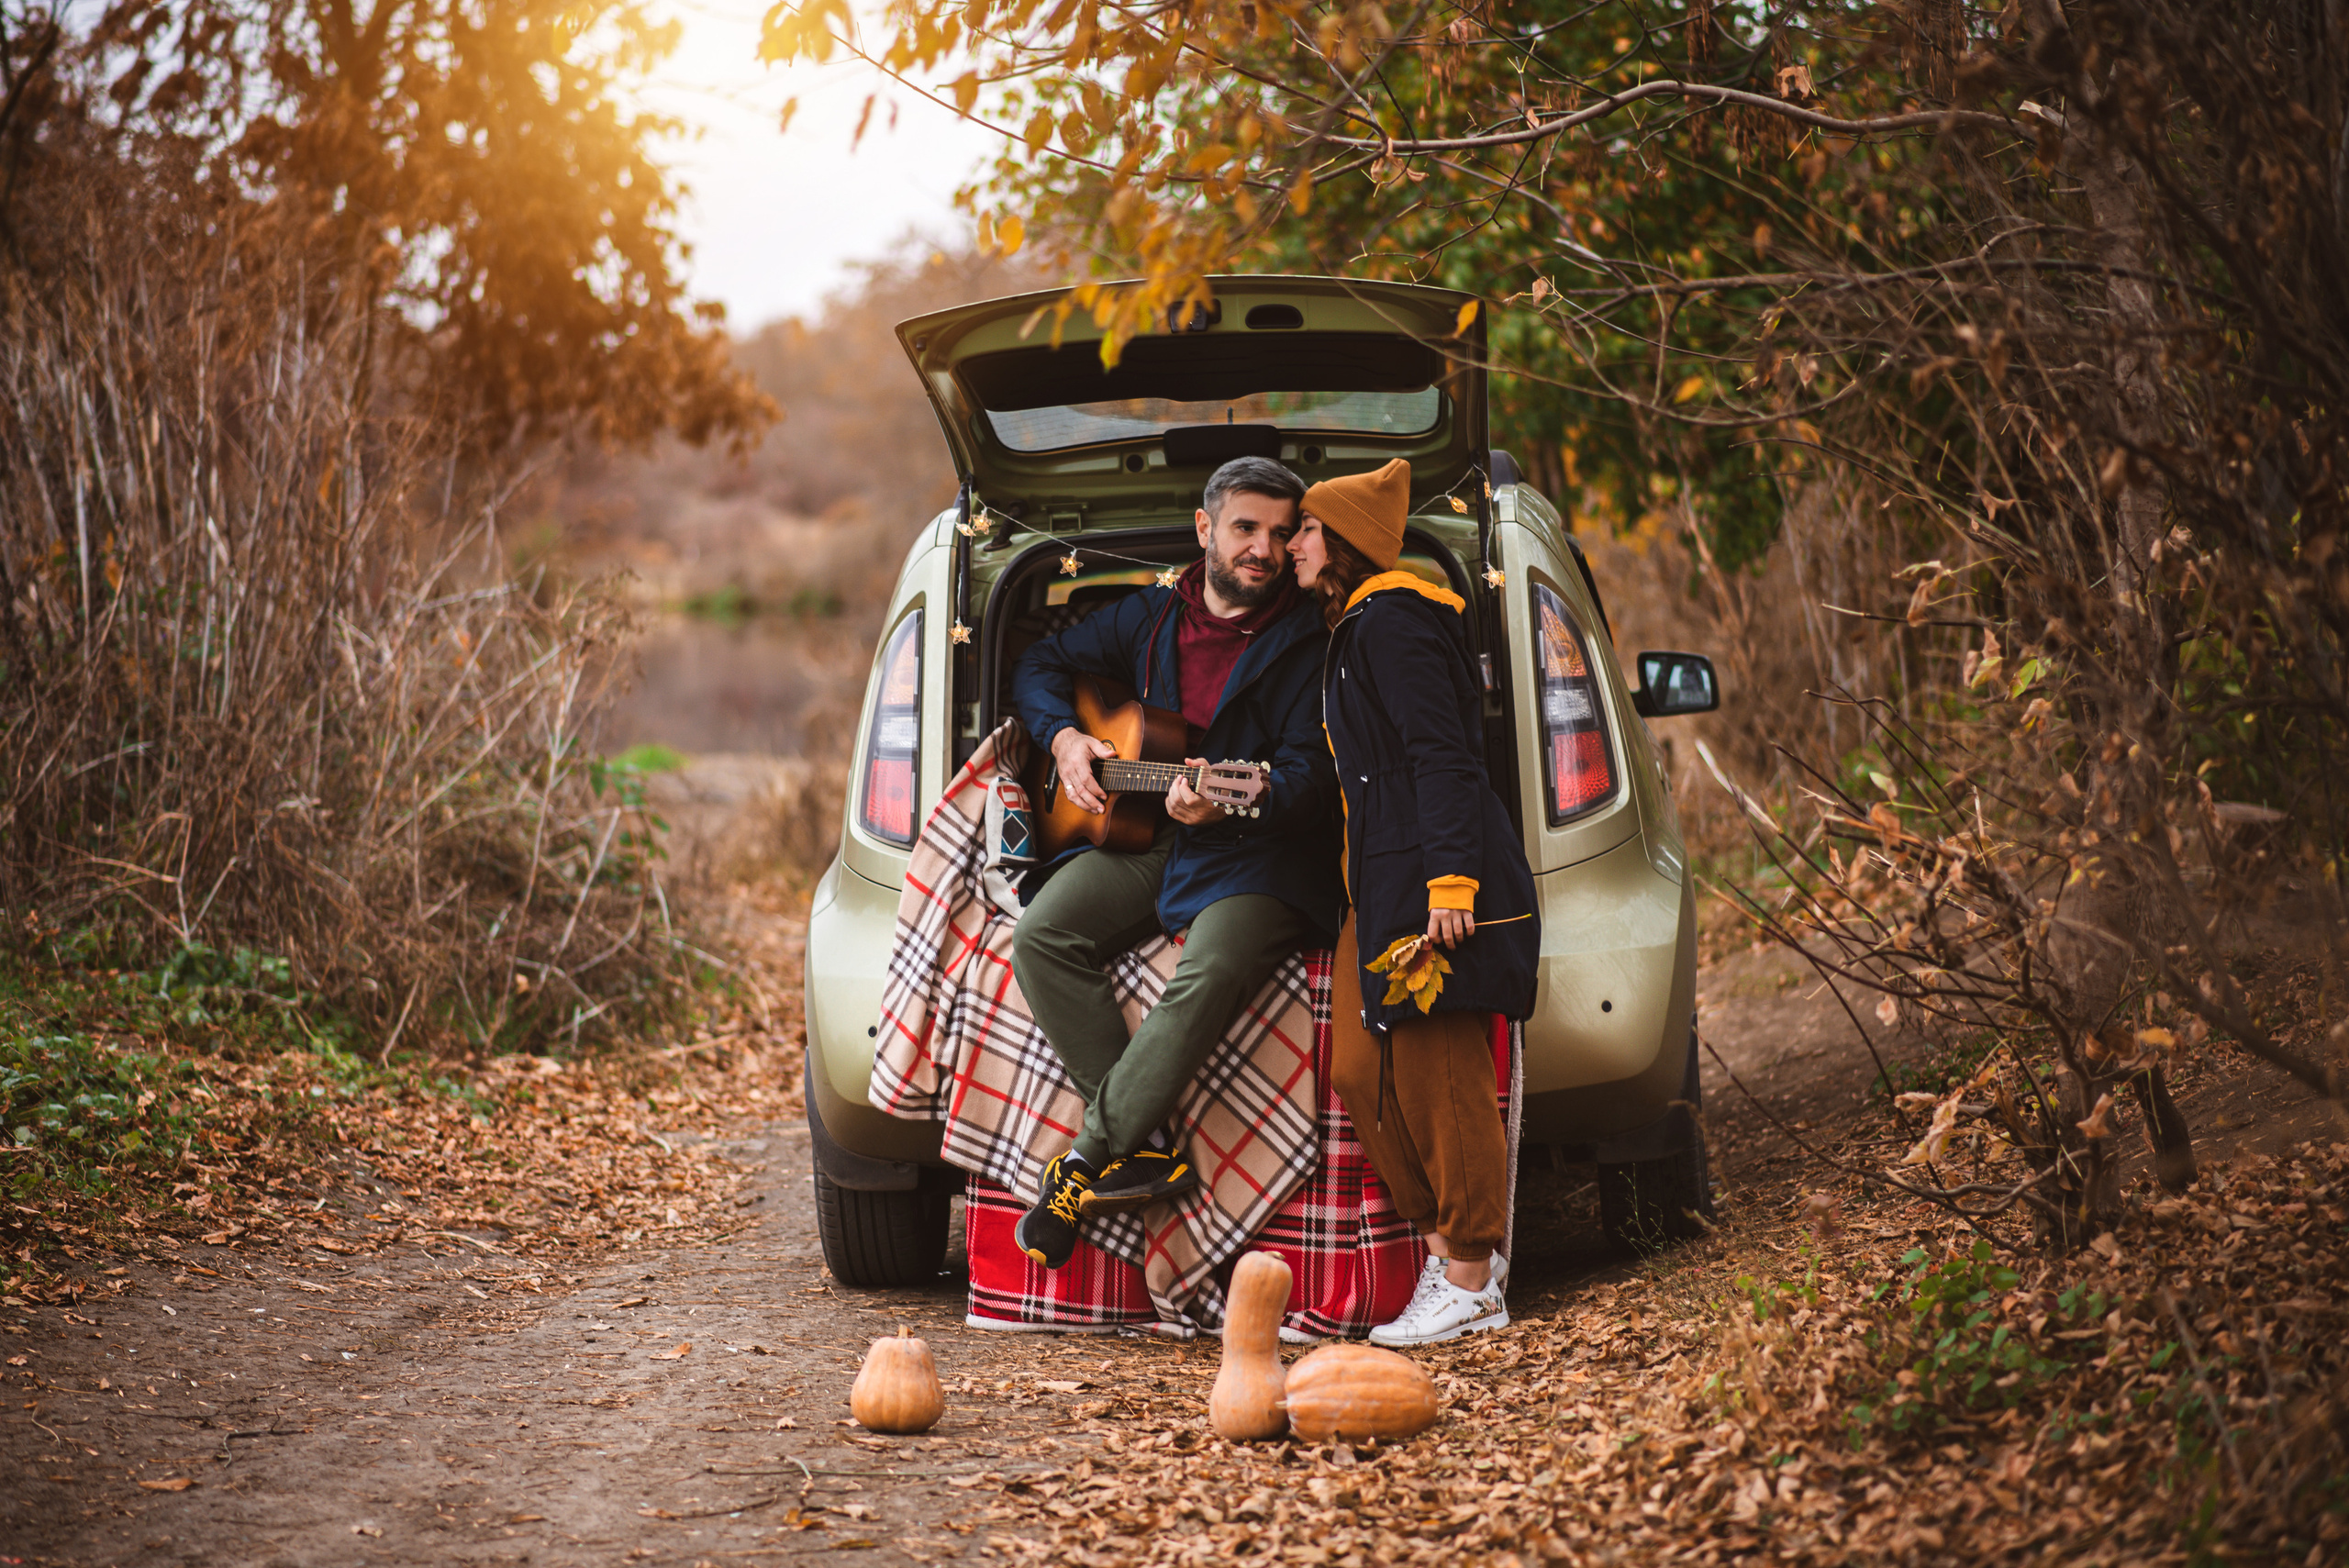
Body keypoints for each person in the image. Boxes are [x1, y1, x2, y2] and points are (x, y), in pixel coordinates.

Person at [1005, 456, 1345, 1268]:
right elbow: (1036, 666)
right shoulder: (1151, 619)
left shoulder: (1313, 638)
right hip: (1158, 837)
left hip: (1265, 851)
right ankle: (1141, 1144)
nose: (1263, 548)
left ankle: (1086, 1160)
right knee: (1043, 935)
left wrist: (1234, 796)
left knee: (1214, 959)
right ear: (1205, 530)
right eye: (1244, 528)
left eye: (1279, 530)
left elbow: (1312, 776)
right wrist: (1063, 736)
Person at [1287, 457, 1540, 1345]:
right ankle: (1451, 1255)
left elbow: (1443, 755)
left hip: (1432, 884)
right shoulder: (1355, 626)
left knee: (1442, 1073)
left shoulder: (1395, 621)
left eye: (1307, 530)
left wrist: (1451, 881)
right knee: (1363, 1073)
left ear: (1346, 542)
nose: (1291, 544)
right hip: (1381, 885)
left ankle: (1472, 1274)